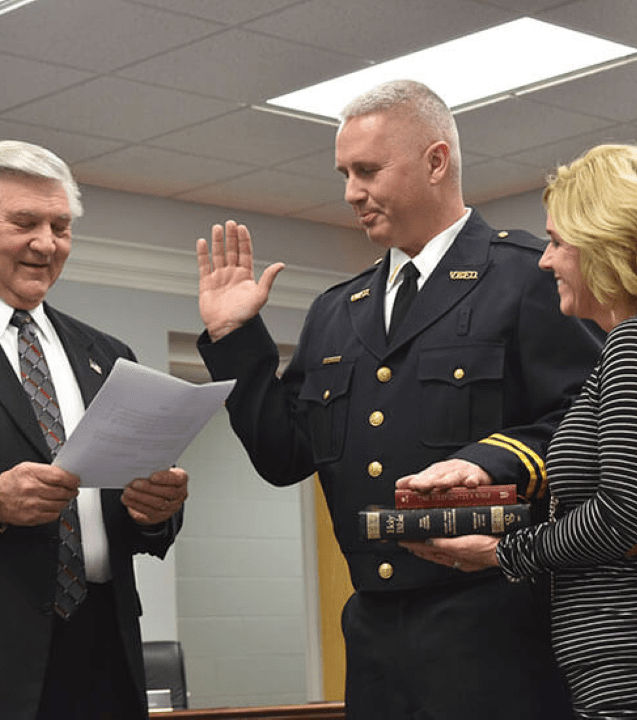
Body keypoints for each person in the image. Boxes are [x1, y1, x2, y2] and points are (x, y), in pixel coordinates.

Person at [196, 79, 601, 719]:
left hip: (496, 622)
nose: (352, 192)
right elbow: (283, 456)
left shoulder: (525, 275)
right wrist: (234, 338)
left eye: (367, 170)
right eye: (345, 174)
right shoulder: (337, 311)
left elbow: (584, 420)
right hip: (375, 635)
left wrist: (492, 463)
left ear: (436, 162)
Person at [405, 144, 637, 718]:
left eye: (558, 242)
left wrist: (502, 553)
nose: (545, 262)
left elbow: (626, 519)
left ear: (609, 243)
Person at [0, 140, 189, 719]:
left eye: (61, 226)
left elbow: (126, 501)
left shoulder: (106, 354)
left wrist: (153, 510)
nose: (46, 243)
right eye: (25, 222)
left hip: (103, 654)